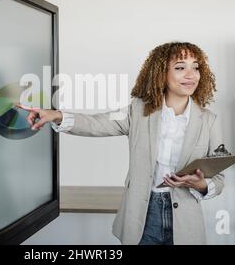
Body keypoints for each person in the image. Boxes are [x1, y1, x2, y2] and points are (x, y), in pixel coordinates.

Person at [16, 42, 224, 245]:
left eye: (195, 67)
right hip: (142, 216)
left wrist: (201, 184)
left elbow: (220, 179)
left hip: (186, 223)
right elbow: (97, 122)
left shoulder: (209, 121)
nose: (191, 74)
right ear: (161, 73)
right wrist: (56, 115)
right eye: (180, 67)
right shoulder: (138, 110)